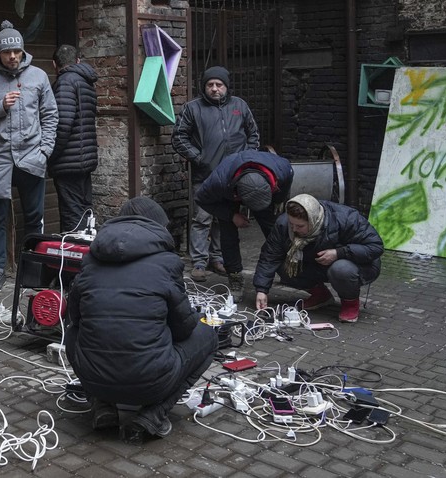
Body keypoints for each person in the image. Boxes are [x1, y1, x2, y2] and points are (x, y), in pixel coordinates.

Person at [64, 197, 218, 445]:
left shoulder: (91, 260)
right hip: (151, 384)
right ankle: (153, 414)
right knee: (208, 335)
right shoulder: (167, 262)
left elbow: (75, 318)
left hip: (95, 378)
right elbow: (183, 329)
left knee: (72, 334)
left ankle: (101, 405)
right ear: (157, 227)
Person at [0, 21, 58, 293]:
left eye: (17, 51)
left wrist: (45, 151)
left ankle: (32, 268)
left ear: (23, 50)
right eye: (7, 53)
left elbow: (51, 116)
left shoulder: (39, 77)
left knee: (34, 216)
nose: (12, 57)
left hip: (32, 156)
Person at [172, 66, 260, 282]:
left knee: (225, 219)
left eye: (218, 85)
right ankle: (199, 262)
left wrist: (245, 159)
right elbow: (178, 137)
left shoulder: (239, 105)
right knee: (202, 218)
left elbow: (253, 134)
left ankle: (217, 258)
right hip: (206, 175)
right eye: (210, 85)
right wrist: (198, 157)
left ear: (226, 87)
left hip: (233, 176)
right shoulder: (193, 108)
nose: (214, 89)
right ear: (204, 87)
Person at [254, 194, 384, 323]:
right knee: (285, 264)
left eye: (300, 226)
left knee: (341, 269)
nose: (294, 229)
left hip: (359, 264)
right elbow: (270, 255)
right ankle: (320, 295)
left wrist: (339, 252)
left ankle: (350, 303)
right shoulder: (283, 224)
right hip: (316, 262)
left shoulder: (346, 218)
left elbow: (375, 247)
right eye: (291, 224)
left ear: (314, 220)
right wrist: (261, 290)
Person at [195, 149, 293, 301]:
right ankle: (234, 277)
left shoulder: (283, 169)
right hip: (227, 194)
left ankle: (286, 270)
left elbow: (286, 184)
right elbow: (201, 199)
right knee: (228, 236)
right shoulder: (218, 183)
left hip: (265, 189)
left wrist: (277, 201)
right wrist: (232, 215)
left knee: (276, 230)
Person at [48, 44, 98, 233]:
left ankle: (73, 258)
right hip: (85, 159)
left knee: (71, 216)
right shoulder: (86, 82)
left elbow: (63, 124)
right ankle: (86, 257)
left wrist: (51, 154)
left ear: (54, 64)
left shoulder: (65, 82)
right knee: (85, 212)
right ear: (77, 60)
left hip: (68, 161)